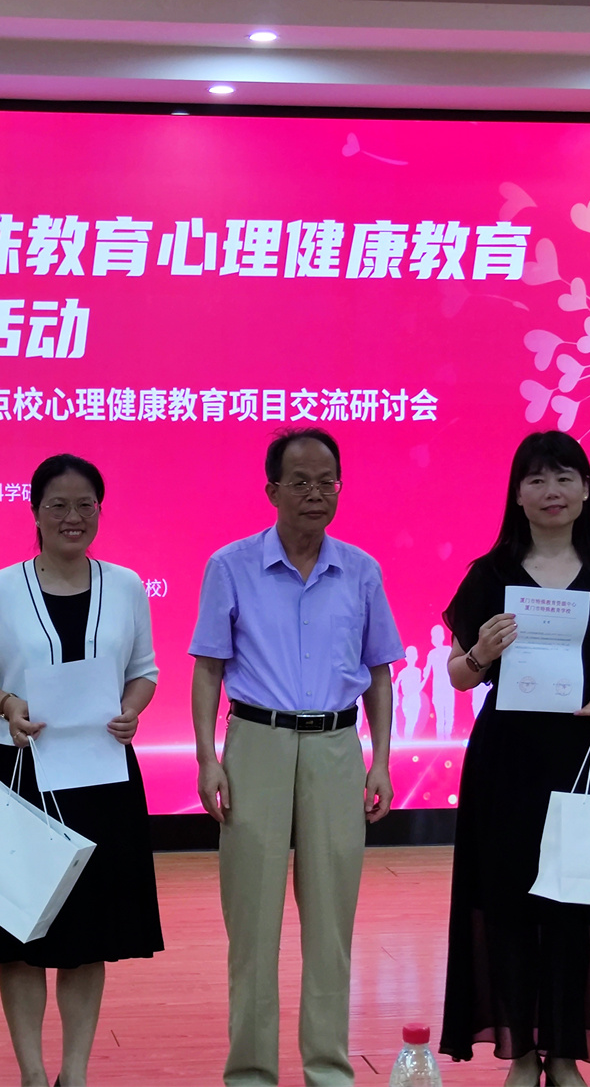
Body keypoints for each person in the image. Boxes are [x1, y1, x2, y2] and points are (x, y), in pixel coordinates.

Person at [190, 427, 402, 1087]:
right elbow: (207, 669)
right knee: (252, 926)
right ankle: (251, 1073)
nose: (316, 493)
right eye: (301, 481)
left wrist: (381, 760)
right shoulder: (230, 566)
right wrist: (207, 758)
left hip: (337, 747)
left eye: (327, 481)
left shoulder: (361, 570)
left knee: (331, 925)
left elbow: (379, 673)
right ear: (272, 490)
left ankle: (328, 1070)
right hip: (256, 743)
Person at [439, 430, 590, 1086]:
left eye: (564, 478)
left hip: (583, 755)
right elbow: (458, 676)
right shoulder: (490, 575)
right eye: (536, 479)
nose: (551, 491)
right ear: (517, 495)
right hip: (507, 760)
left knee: (576, 904)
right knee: (506, 903)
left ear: (585, 491)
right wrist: (481, 653)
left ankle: (563, 1053)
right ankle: (522, 1054)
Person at [0, 453, 163, 1087]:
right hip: (19, 775)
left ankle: (74, 1073)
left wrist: (132, 710)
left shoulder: (126, 586)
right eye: (58, 506)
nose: (73, 517)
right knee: (18, 936)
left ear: (100, 510)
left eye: (85, 506)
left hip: (102, 775)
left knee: (88, 937)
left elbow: (144, 672)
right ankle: (31, 1073)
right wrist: (6, 704)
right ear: (35, 512)